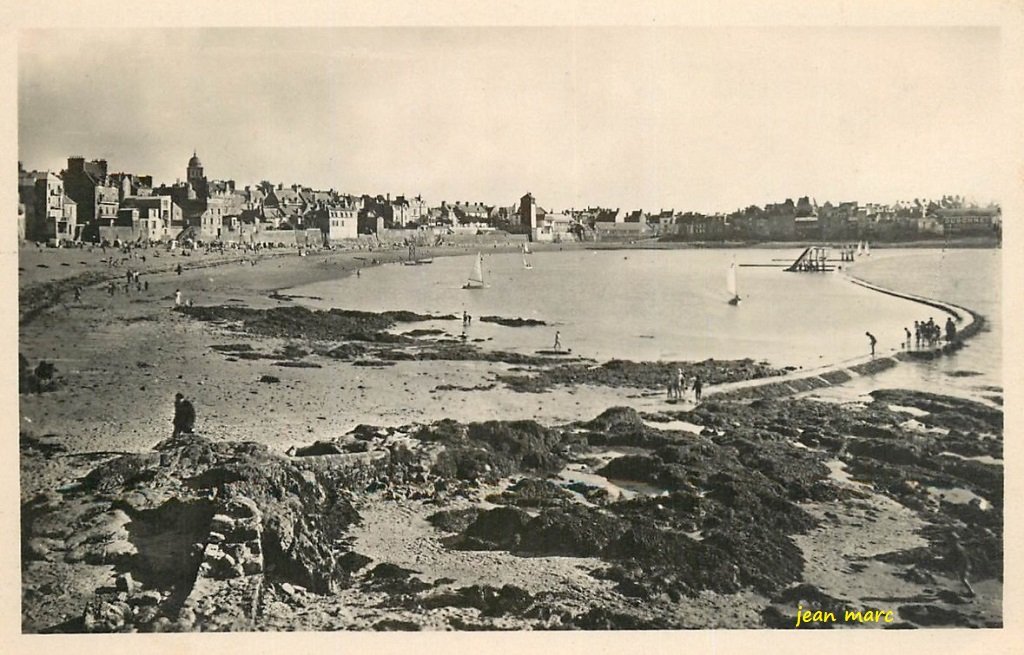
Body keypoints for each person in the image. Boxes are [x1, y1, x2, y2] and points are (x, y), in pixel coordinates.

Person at [946, 530, 975, 597]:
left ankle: (971, 591)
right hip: (964, 564)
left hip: (963, 564)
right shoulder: (958, 547)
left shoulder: (957, 548)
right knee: (963, 578)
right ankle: (970, 591)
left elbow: (960, 558)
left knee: (963, 579)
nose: (948, 542)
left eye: (949, 540)